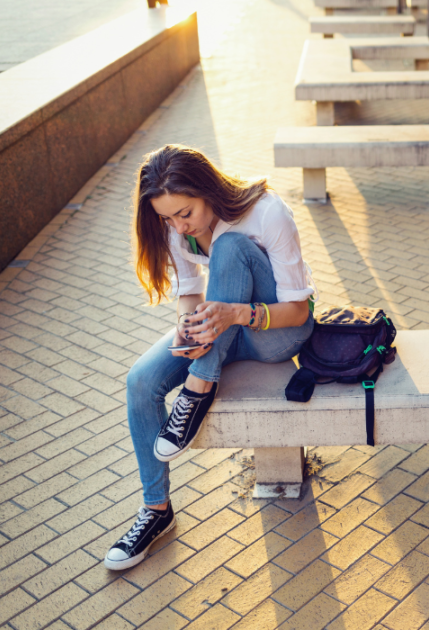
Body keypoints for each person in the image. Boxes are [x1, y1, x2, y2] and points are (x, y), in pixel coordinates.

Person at [104, 145, 315, 570]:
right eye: (167, 218)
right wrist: (187, 327)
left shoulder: (267, 213)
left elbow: (300, 310)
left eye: (185, 213)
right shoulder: (175, 227)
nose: (178, 226)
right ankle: (156, 510)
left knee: (232, 247)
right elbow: (190, 295)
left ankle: (198, 389)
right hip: (225, 328)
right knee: (140, 381)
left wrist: (234, 314)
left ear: (207, 190)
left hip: (276, 333)